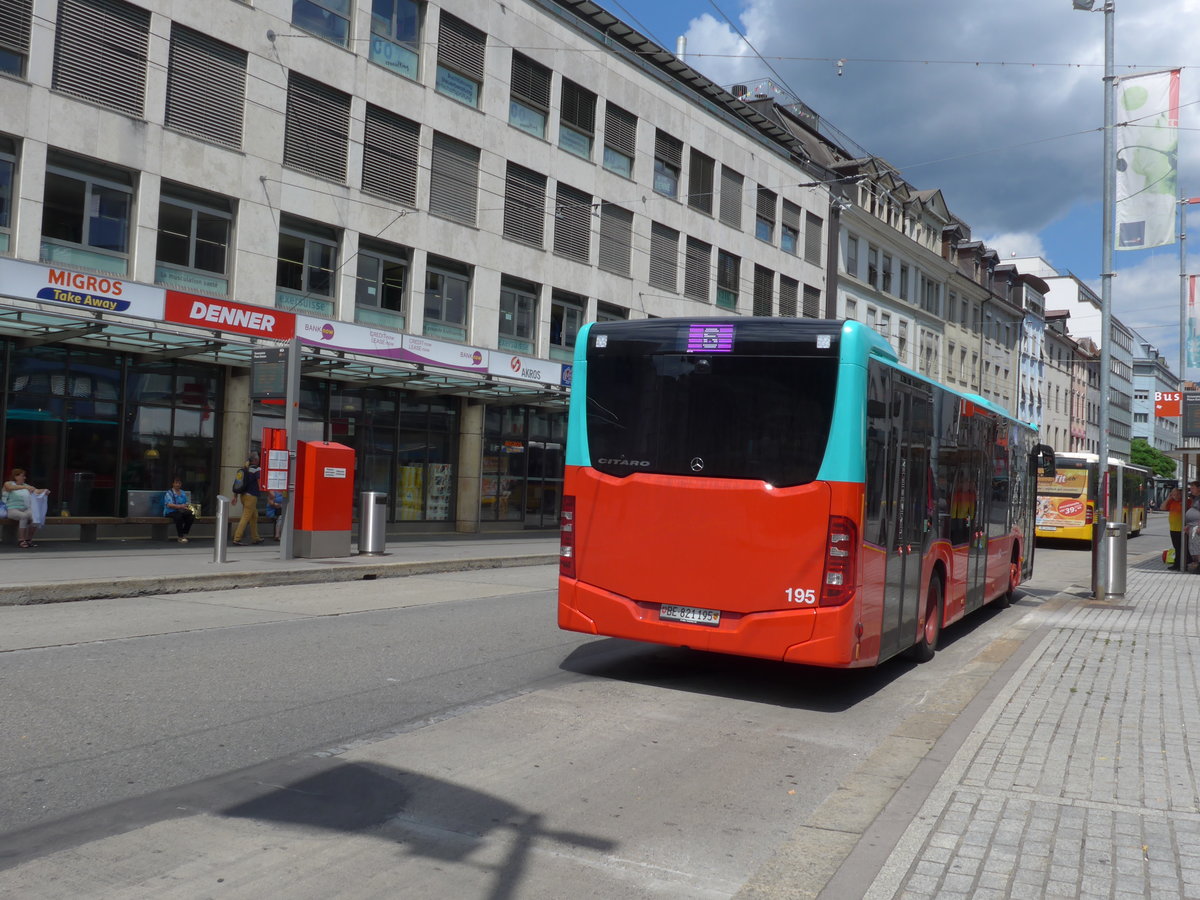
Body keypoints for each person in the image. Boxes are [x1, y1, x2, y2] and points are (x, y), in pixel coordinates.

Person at [3, 468, 50, 549]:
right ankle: (21, 540)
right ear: (16, 477)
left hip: (26, 509)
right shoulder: (8, 483)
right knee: (23, 516)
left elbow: (36, 491)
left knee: (36, 516)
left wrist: (44, 490)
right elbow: (10, 488)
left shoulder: (26, 486)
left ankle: (28, 539)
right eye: (22, 476)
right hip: (12, 509)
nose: (24, 478)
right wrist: (24, 488)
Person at [231, 456, 263, 545]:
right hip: (251, 496)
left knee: (254, 516)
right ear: (256, 460)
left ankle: (255, 537)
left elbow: (237, 483)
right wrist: (268, 493)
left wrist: (235, 497)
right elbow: (260, 482)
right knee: (246, 517)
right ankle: (237, 538)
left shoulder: (244, 469)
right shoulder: (257, 469)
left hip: (243, 496)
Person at [162, 477, 195, 543]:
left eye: (179, 483)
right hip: (170, 511)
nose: (178, 485)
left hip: (181, 510)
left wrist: (186, 506)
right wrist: (180, 506)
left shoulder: (183, 492)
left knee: (191, 515)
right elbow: (169, 505)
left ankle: (184, 533)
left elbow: (186, 503)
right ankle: (180, 536)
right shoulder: (169, 493)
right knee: (179, 516)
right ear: (173, 484)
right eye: (176, 483)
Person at [1164, 487, 1183, 570]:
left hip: (1181, 529)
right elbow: (1162, 507)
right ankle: (1177, 564)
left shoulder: (1185, 501)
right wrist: (1168, 498)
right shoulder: (1171, 502)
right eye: (1174, 494)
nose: (1176, 496)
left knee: (1180, 548)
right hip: (1173, 529)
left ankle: (1178, 564)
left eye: (1177, 494)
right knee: (1176, 547)